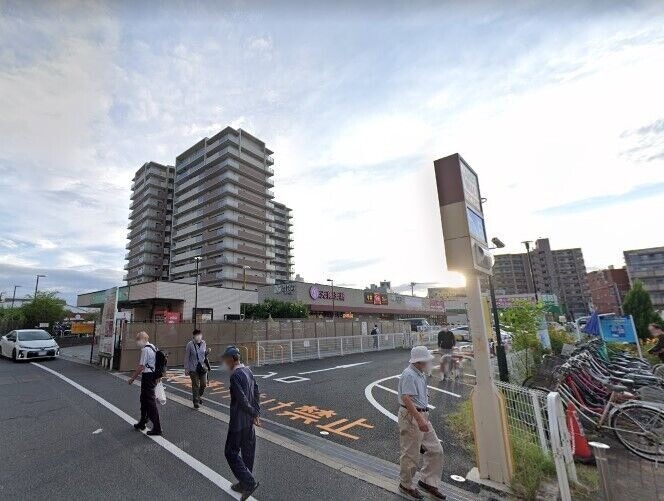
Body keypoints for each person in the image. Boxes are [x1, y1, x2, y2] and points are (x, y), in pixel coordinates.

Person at [398, 346, 445, 500]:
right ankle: (405, 484)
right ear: (419, 361)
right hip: (412, 416)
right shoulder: (409, 374)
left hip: (422, 414)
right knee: (410, 454)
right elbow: (406, 398)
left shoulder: (420, 373)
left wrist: (423, 417)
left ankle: (427, 481)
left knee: (436, 450)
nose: (429, 363)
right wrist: (419, 419)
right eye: (427, 361)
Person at [222, 345, 261, 501]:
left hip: (238, 420)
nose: (225, 362)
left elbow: (241, 399)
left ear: (233, 359)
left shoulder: (235, 375)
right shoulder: (248, 371)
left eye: (226, 359)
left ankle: (248, 482)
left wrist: (253, 412)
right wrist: (256, 412)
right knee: (247, 451)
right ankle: (244, 483)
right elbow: (256, 391)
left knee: (230, 452)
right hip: (249, 421)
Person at [128, 331, 162, 436]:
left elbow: (141, 367)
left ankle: (157, 428)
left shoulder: (145, 350)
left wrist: (132, 378)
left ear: (144, 339)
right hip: (152, 376)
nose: (137, 342)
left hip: (148, 377)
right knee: (143, 400)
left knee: (150, 402)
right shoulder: (153, 347)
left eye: (138, 339)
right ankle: (142, 422)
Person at [184, 329, 208, 409]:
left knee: (203, 384)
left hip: (202, 367)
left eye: (200, 335)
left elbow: (203, 354)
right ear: (193, 336)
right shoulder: (190, 344)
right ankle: (196, 401)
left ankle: (198, 396)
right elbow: (187, 357)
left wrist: (207, 352)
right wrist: (186, 368)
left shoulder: (204, 343)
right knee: (195, 385)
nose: (198, 336)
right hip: (193, 368)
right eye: (197, 335)